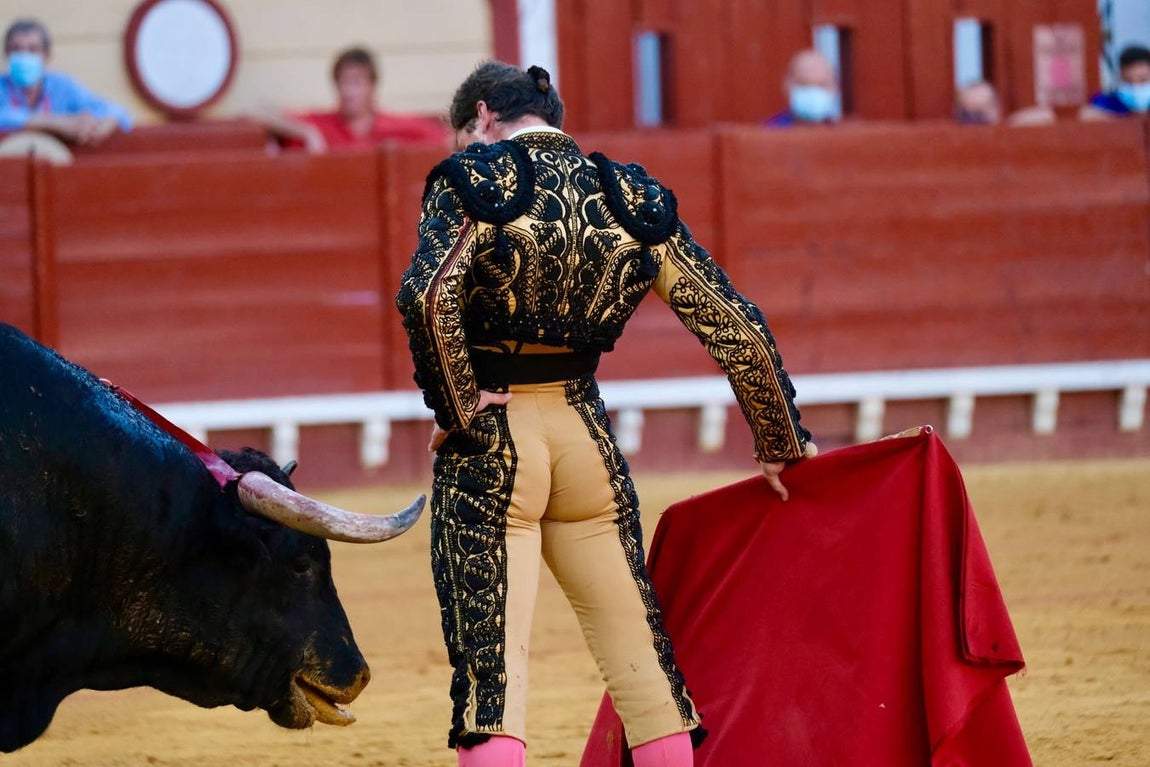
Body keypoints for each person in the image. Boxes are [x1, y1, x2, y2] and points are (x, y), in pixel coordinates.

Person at [396, 61, 816, 767]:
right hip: (587, 441)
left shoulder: (474, 180)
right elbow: (733, 324)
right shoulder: (631, 196)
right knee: (648, 676)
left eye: (465, 134)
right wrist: (779, 438)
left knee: (492, 684)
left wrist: (458, 399)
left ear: (484, 118)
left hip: (493, 449)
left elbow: (424, 295)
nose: (465, 148)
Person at [249, 46, 445, 153]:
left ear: (372, 86)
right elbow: (258, 111)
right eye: (344, 82)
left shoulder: (396, 126)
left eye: (357, 83)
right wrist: (307, 133)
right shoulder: (321, 124)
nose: (349, 91)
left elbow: (445, 139)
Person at [0, 18, 131, 146]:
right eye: (16, 49)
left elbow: (117, 112)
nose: (24, 56)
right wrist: (55, 123)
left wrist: (104, 124)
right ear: (6, 54)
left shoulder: (62, 86)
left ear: (47, 56)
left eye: (33, 50)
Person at [764, 49, 841, 127]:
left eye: (821, 85)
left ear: (834, 88)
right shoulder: (770, 132)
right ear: (787, 86)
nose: (813, 93)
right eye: (804, 84)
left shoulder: (841, 132)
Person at [1081, 44, 1150, 120]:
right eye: (1128, 81)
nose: (1136, 86)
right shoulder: (1107, 101)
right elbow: (1087, 114)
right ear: (1120, 77)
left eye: (1143, 80)